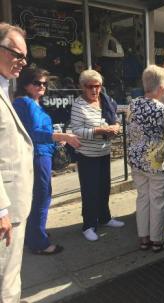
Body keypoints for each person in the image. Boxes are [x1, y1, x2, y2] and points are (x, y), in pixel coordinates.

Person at [13, 67, 80, 255]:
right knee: (42, 196)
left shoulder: (34, 102)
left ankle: (34, 234)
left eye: (44, 83)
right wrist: (62, 136)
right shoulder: (25, 102)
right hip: (37, 155)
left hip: (43, 153)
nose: (42, 86)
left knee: (39, 196)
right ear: (26, 84)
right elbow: (34, 133)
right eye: (37, 83)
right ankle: (39, 243)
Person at [127, 65, 164, 252]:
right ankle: (158, 241)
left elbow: (131, 132)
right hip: (157, 159)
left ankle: (144, 239)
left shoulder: (133, 105)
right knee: (158, 200)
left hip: (137, 159)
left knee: (143, 198)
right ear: (160, 87)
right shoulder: (162, 110)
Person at [70, 69, 124, 242]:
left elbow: (114, 119)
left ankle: (105, 218)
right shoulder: (79, 105)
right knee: (90, 191)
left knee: (104, 188)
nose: (95, 90)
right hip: (87, 155)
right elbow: (76, 130)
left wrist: (115, 127)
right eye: (90, 87)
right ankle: (89, 225)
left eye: (98, 86)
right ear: (82, 87)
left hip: (104, 152)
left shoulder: (105, 100)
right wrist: (98, 130)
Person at [0, 22, 33, 303]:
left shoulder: (5, 88)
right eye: (17, 54)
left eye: (25, 56)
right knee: (5, 281)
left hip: (12, 206)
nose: (23, 62)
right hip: (5, 210)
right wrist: (1, 209)